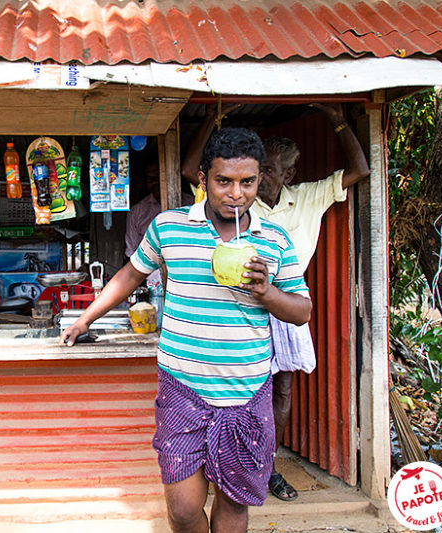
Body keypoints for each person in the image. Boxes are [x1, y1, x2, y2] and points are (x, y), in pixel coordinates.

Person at [61, 127, 312, 532]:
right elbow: (129, 274)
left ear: (259, 179)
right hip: (183, 389)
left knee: (233, 504)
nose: (236, 193)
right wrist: (85, 317)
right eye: (223, 181)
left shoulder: (274, 241)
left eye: (247, 182)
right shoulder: (169, 227)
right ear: (203, 179)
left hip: (245, 392)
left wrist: (266, 292)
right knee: (181, 508)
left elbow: (302, 311)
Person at [252, 103, 370, 502]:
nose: (260, 176)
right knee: (244, 388)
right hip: (243, 297)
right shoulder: (240, 198)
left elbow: (360, 171)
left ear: (289, 174)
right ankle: (239, 468)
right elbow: (188, 174)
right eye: (259, 167)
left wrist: (337, 118)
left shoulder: (308, 196)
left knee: (282, 389)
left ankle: (268, 468)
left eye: (268, 169)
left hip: (288, 296)